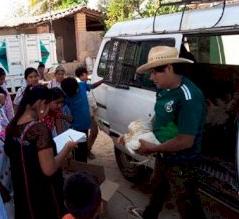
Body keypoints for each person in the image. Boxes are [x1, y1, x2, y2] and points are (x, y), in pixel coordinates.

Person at [121, 46, 206, 219]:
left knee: (188, 204)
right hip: (163, 154)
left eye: (154, 72)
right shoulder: (163, 88)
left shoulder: (189, 97)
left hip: (182, 162)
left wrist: (151, 148)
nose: (151, 78)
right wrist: (134, 136)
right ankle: (149, 215)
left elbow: (185, 141)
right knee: (158, 188)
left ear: (168, 68)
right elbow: (160, 118)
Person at [5, 85, 78, 219]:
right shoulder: (39, 129)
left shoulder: (12, 126)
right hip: (41, 192)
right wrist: (67, 148)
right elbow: (49, 169)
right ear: (42, 103)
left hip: (22, 190)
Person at [61, 76, 103, 162]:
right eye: (73, 91)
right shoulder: (67, 98)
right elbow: (59, 109)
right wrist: (65, 117)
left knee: (83, 150)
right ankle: (79, 168)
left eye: (76, 89)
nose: (76, 91)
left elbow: (92, 86)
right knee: (78, 151)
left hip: (85, 126)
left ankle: (83, 167)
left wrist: (102, 81)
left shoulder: (82, 85)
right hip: (76, 128)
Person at [75, 67, 99, 160]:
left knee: (94, 132)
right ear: (81, 76)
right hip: (84, 115)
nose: (87, 75)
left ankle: (87, 150)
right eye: (86, 74)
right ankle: (85, 152)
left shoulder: (87, 83)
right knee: (85, 135)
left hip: (91, 114)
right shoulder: (79, 86)